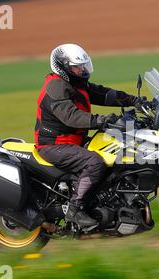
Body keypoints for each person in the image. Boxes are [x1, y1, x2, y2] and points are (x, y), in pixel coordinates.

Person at [34, 43, 140, 227]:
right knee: (95, 162)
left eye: (83, 65)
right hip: (54, 146)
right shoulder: (55, 87)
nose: (82, 70)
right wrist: (101, 120)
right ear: (63, 67)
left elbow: (103, 94)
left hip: (73, 141)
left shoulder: (74, 83)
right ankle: (75, 210)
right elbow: (71, 116)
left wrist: (135, 100)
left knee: (118, 151)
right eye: (77, 66)